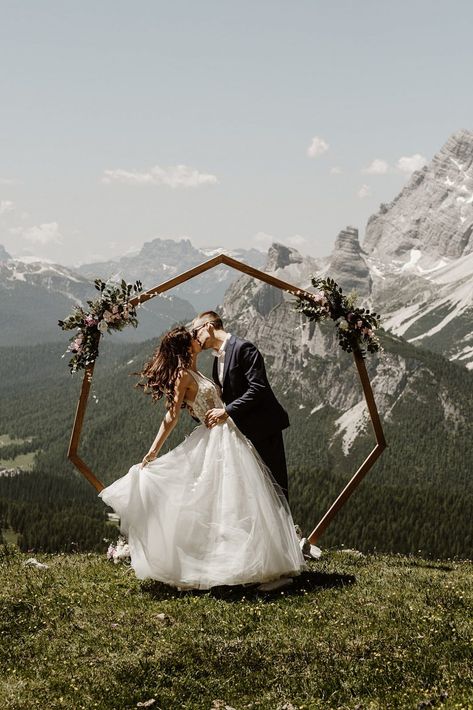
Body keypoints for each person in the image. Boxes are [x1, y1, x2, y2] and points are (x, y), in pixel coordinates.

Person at [98, 326, 305, 591]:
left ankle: (249, 562)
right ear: (186, 347)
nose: (198, 340)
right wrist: (153, 450)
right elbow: (171, 417)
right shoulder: (183, 375)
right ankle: (231, 564)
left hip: (229, 435)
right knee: (223, 500)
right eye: (193, 339)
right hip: (216, 439)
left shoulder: (195, 370)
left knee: (240, 499)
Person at [190, 311, 291, 501]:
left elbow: (258, 388)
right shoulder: (215, 360)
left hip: (264, 429)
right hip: (242, 434)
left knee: (276, 488)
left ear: (208, 326)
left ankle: (286, 529)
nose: (195, 339)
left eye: (195, 332)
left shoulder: (244, 348)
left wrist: (227, 411)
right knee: (254, 494)